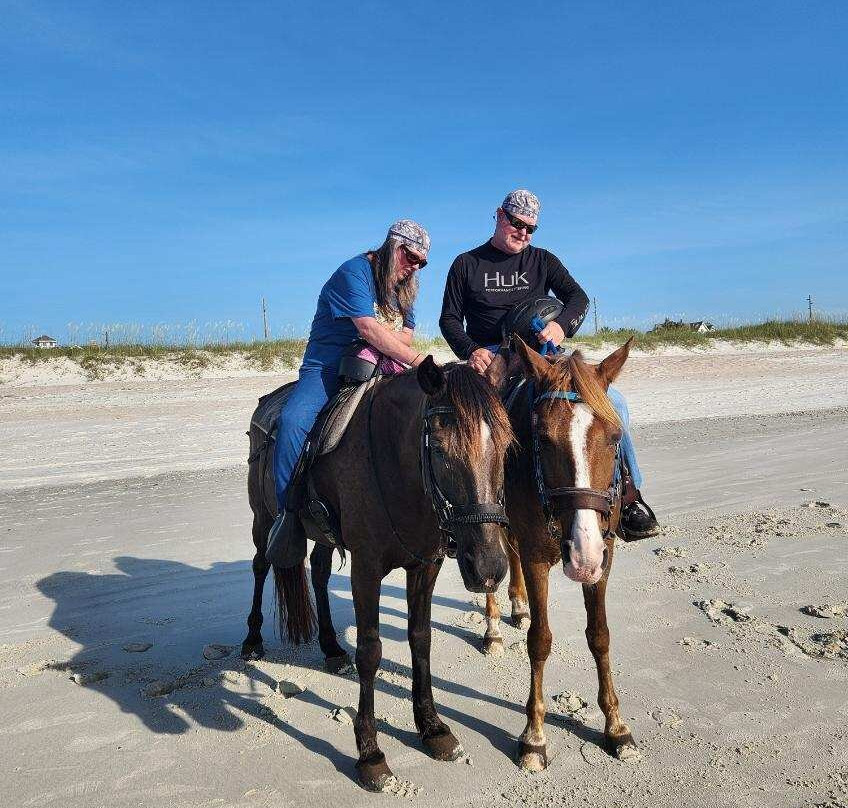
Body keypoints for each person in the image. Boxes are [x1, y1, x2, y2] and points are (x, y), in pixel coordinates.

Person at [439, 190, 659, 539]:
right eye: (516, 223)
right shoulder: (466, 264)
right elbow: (449, 320)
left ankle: (630, 496)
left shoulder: (543, 261)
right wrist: (472, 349)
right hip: (492, 357)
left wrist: (561, 325)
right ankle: (470, 513)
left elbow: (578, 298)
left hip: (546, 358)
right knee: (469, 424)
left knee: (614, 402)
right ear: (499, 216)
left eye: (531, 228)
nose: (523, 233)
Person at [268, 220, 430, 560]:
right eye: (409, 257)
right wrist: (414, 357)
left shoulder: (404, 287)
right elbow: (370, 330)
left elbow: (404, 335)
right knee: (293, 421)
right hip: (328, 366)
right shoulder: (354, 272)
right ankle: (289, 516)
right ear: (392, 246)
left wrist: (382, 339)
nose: (413, 266)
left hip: (382, 364)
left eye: (420, 263)